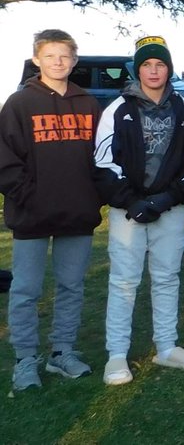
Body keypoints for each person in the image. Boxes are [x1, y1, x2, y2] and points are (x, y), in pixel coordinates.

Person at [94, 36, 184, 384]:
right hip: (128, 211)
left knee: (166, 278)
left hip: (169, 209)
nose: (154, 70)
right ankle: (116, 355)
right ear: (138, 69)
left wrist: (167, 198)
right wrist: (131, 201)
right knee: (124, 282)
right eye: (147, 64)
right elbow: (103, 162)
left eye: (160, 64)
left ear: (169, 69)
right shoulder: (118, 110)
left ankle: (166, 346)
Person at [1, 29, 102, 390]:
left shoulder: (89, 103)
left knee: (71, 286)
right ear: (36, 60)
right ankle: (26, 360)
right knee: (25, 290)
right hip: (31, 214)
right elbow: (5, 161)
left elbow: (101, 158)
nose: (58, 62)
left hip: (77, 212)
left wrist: (94, 194)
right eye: (50, 56)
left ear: (74, 61)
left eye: (65, 56)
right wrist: (29, 194)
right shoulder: (19, 103)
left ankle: (63, 352)